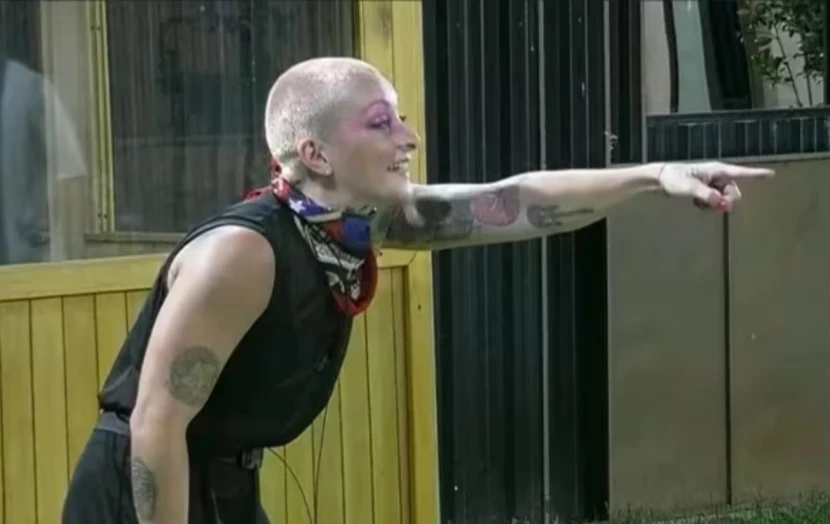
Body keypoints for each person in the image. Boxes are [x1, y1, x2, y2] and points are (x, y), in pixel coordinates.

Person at [61, 57, 773, 524]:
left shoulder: (359, 223)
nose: (409, 137)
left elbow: (513, 201)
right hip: (139, 489)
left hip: (222, 482)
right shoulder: (242, 253)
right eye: (382, 123)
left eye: (400, 117)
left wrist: (656, 177)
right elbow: (156, 424)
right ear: (315, 153)